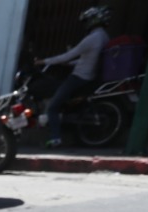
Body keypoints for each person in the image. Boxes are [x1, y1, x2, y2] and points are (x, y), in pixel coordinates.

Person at [39, 5, 111, 148]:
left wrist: (43, 61)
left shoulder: (92, 38)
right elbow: (88, 59)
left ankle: (55, 138)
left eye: (86, 21)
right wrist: (70, 63)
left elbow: (68, 55)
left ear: (93, 20)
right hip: (89, 77)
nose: (85, 24)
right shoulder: (104, 37)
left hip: (79, 77)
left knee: (53, 107)